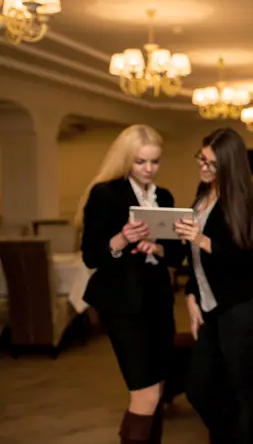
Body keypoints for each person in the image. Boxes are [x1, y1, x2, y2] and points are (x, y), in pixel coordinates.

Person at [76, 124, 184, 444]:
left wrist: (159, 247)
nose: (149, 169)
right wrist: (123, 238)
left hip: (159, 300)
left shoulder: (164, 197)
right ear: (126, 160)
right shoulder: (106, 194)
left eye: (155, 162)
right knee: (145, 394)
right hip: (123, 303)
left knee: (158, 389)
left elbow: (176, 253)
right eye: (140, 162)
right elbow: (91, 256)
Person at [175, 127, 253, 443]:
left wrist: (200, 238)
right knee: (199, 388)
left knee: (242, 395)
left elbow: (241, 261)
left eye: (211, 163)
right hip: (209, 309)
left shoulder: (243, 202)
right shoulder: (202, 197)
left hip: (238, 308)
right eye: (201, 159)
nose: (203, 167)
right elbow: (194, 260)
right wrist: (189, 295)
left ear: (229, 165)